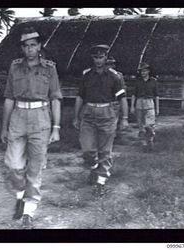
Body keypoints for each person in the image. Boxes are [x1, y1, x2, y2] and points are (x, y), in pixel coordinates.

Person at [0, 27, 62, 229]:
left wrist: (56, 127)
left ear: (39, 45)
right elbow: (9, 97)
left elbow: (55, 99)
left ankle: (29, 210)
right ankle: (20, 194)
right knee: (13, 166)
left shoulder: (49, 68)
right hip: (18, 116)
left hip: (40, 118)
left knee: (35, 167)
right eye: (26, 46)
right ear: (22, 48)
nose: (29, 49)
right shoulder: (15, 67)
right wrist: (4, 127)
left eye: (33, 45)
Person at [72, 44, 129, 197]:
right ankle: (94, 166)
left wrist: (124, 118)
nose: (98, 60)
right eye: (96, 57)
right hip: (89, 114)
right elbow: (80, 97)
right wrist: (76, 116)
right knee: (88, 149)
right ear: (92, 58)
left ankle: (100, 183)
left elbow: (122, 98)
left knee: (105, 150)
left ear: (106, 57)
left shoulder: (114, 76)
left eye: (101, 57)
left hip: (107, 114)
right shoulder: (87, 75)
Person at [130, 62, 159, 151]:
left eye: (145, 71)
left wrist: (157, 108)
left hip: (149, 103)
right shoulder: (138, 81)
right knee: (141, 125)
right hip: (139, 102)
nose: (143, 73)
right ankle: (144, 145)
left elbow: (156, 96)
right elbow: (134, 95)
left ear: (148, 71)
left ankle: (150, 140)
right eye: (142, 71)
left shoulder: (153, 81)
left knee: (149, 125)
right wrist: (132, 106)